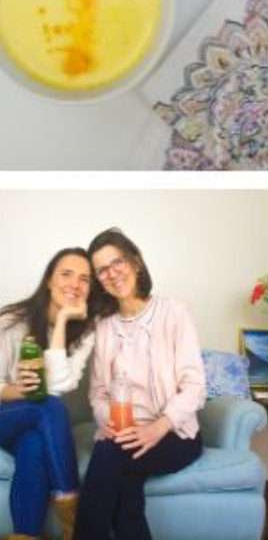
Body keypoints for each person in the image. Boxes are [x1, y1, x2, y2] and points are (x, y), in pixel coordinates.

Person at [75, 229, 206, 540]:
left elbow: (195, 386)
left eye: (117, 262)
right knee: (126, 501)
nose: (111, 274)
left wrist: (157, 428)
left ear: (135, 262)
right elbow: (98, 394)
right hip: (123, 433)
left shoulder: (173, 312)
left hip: (173, 435)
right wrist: (106, 420)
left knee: (109, 455)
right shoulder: (103, 327)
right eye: (101, 270)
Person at [0, 248, 106, 540]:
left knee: (34, 444)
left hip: (33, 419)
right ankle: (74, 515)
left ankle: (25, 535)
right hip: (4, 414)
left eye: (84, 279)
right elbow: (48, 399)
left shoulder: (86, 330)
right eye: (66, 274)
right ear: (49, 280)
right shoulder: (10, 321)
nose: (75, 284)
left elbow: (57, 387)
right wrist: (11, 390)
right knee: (49, 406)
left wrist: (61, 322)